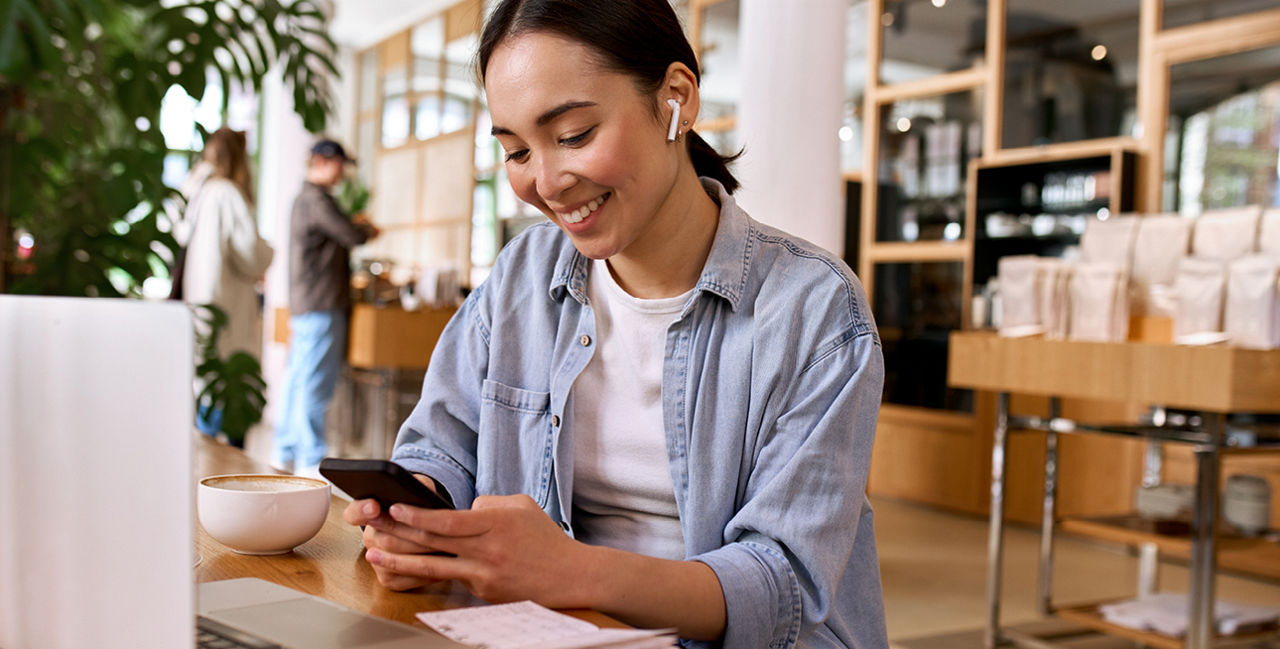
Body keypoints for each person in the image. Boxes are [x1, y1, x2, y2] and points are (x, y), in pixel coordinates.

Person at [343, 1, 887, 647]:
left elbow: (783, 588)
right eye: (516, 150)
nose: (545, 181)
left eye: (573, 134)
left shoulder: (812, 308)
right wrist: (419, 504)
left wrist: (567, 572)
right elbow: (442, 442)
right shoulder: (524, 274)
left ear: (676, 99)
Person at [274, 139, 379, 475]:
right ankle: (310, 459)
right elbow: (351, 235)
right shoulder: (317, 201)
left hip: (307, 303)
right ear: (320, 161)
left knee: (298, 379)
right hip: (322, 304)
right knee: (314, 383)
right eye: (338, 164)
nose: (341, 172)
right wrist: (366, 227)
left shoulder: (301, 200)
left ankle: (286, 450)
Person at [176, 127, 274, 443]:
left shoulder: (196, 194)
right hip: (227, 313)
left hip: (200, 310)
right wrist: (269, 249)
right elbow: (251, 256)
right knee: (228, 403)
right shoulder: (227, 194)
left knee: (205, 395)